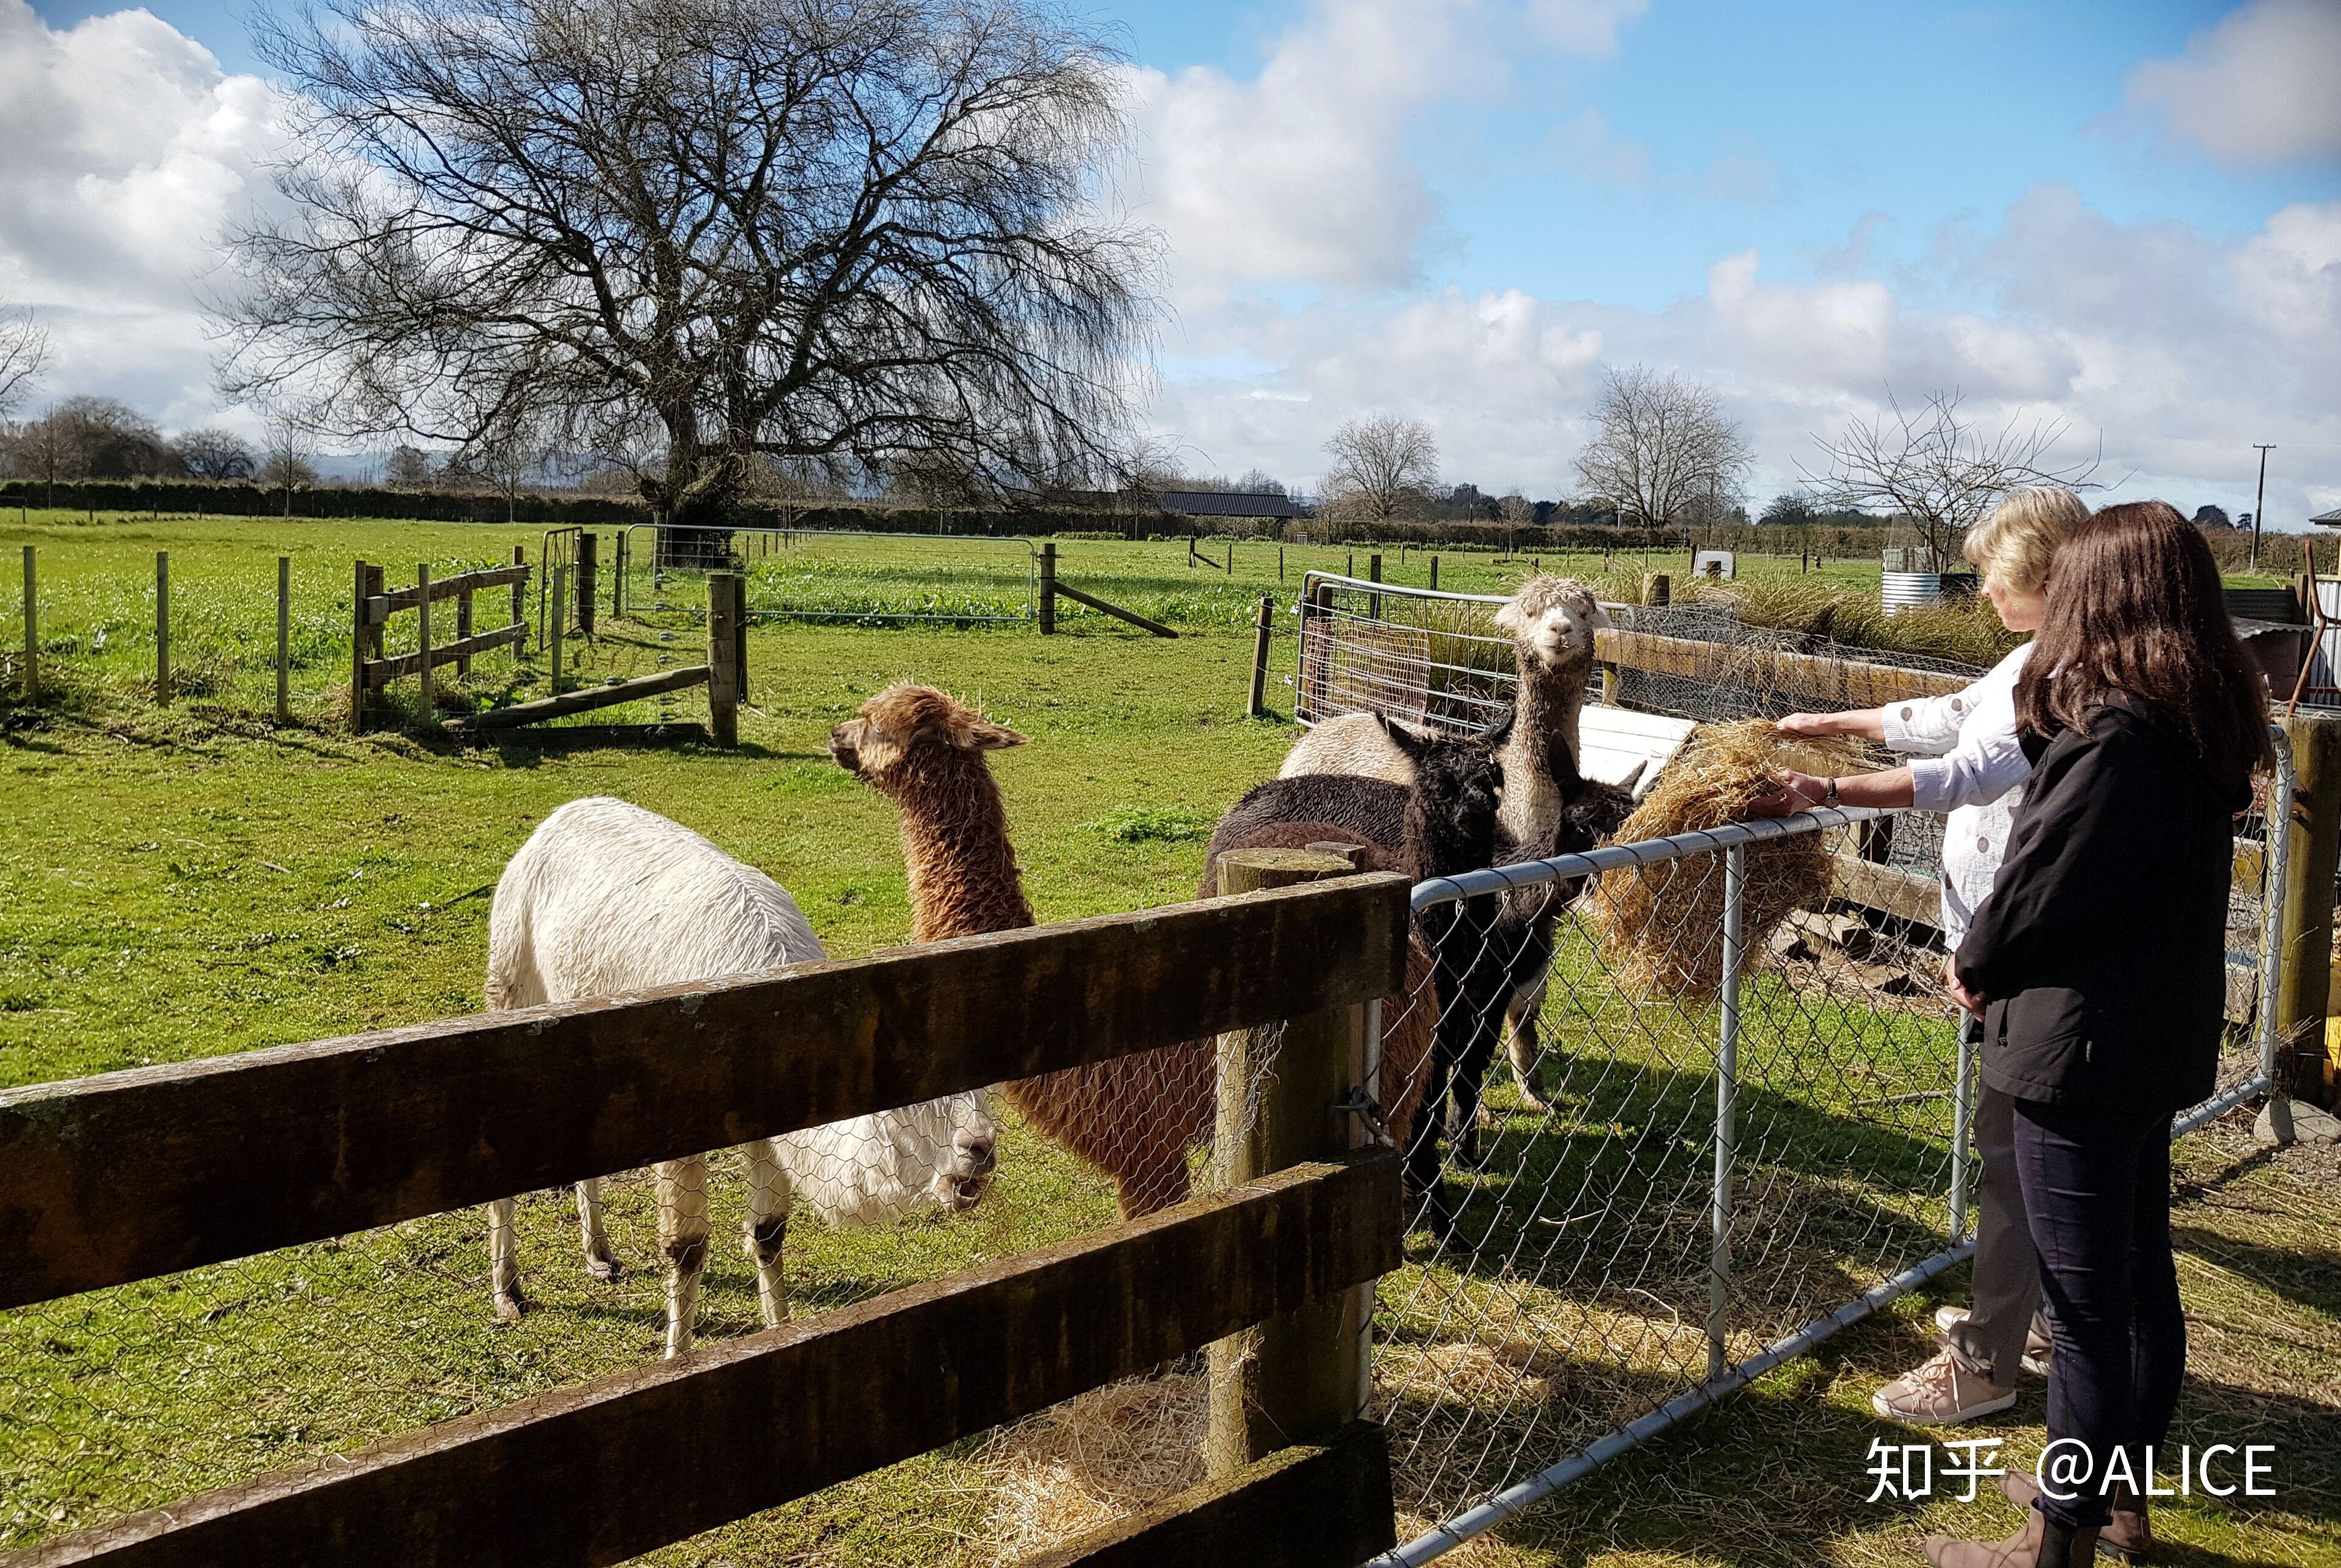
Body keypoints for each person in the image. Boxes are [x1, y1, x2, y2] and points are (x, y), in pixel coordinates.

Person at [1926, 501, 2269, 1568]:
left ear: (2104, 591)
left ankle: (2052, 1539)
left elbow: (2040, 887)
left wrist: (1976, 962)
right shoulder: (2194, 720)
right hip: (2148, 1039)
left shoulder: (2117, 735)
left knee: (2085, 1304)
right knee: (2133, 1276)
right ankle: (2115, 1499)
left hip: (2080, 1050)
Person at [1750, 488, 2085, 1427]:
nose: (1980, 587)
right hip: (2006, 942)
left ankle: (1985, 1360)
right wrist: (1838, 723)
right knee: (2036, 1153)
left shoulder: (2066, 671)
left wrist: (1829, 786)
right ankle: (2045, 1316)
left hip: (2020, 952)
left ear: (2046, 572)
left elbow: (1967, 772)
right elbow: (1948, 718)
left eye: (1994, 572)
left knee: (2013, 1153)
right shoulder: (2036, 657)